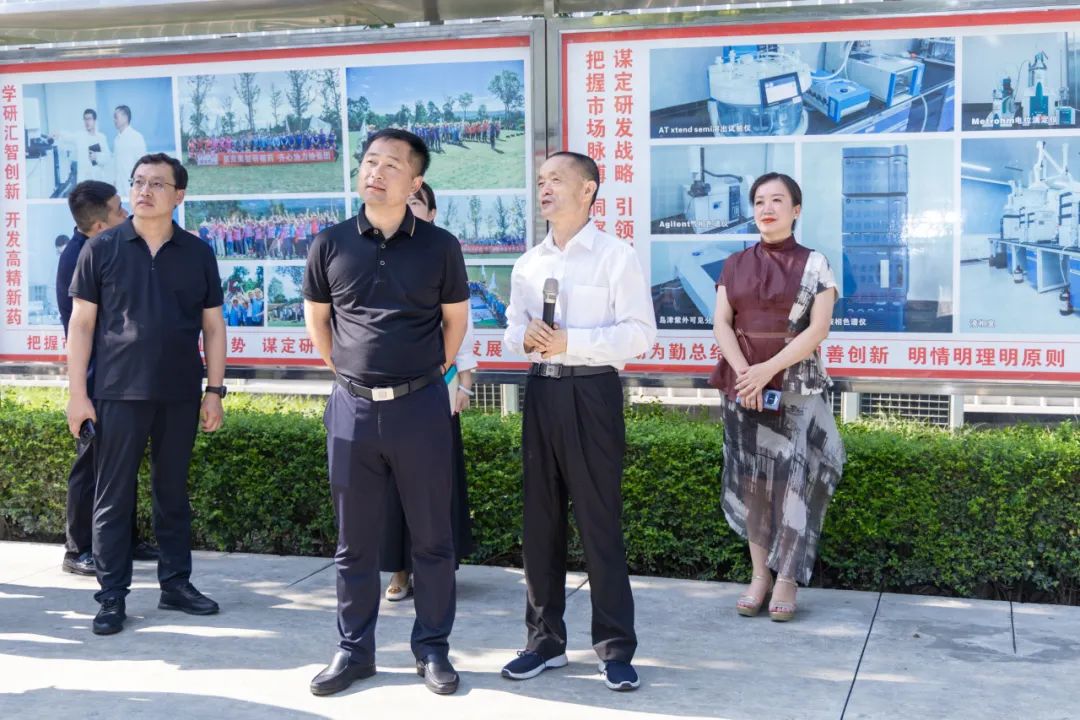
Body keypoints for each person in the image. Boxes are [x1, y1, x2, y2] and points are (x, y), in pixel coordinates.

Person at [303, 129, 469, 697]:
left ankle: (433, 648)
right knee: (354, 543)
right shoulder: (330, 242)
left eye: (391, 165)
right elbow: (319, 320)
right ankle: (354, 651)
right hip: (351, 408)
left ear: (415, 181)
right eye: (370, 161)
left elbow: (455, 322)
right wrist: (351, 374)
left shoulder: (440, 246)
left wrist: (425, 376)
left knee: (433, 539)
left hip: (420, 406)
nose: (375, 172)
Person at [501, 151, 656, 692]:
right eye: (540, 180)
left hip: (592, 393)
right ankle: (544, 642)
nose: (544, 188)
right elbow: (511, 331)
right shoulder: (529, 263)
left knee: (598, 522)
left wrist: (574, 341)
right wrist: (523, 338)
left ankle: (614, 648)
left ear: (588, 189)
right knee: (540, 523)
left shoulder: (616, 256)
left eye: (556, 180)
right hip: (541, 391)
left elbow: (640, 333)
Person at [66, 153, 227, 636]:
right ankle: (111, 595)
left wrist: (215, 390)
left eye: (158, 184)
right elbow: (81, 324)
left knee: (171, 493)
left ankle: (175, 584)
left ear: (179, 196)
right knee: (112, 497)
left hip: (179, 391)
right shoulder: (102, 248)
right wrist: (77, 394)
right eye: (138, 182)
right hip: (117, 391)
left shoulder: (197, 252)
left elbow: (213, 327)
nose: (144, 191)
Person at [710, 172, 845, 623]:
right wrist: (745, 374)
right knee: (752, 480)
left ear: (796, 210)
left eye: (777, 200)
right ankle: (759, 576)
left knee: (792, 479)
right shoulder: (733, 264)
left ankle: (787, 576)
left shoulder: (815, 264)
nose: (766, 208)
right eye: (759, 201)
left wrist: (767, 370)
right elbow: (722, 323)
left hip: (794, 384)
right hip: (742, 383)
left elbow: (818, 329)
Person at [55, 180, 162, 576]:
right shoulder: (81, 257)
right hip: (97, 379)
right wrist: (81, 392)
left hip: (120, 376)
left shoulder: (106, 246)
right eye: (119, 209)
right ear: (100, 226)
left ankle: (123, 540)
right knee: (92, 464)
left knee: (120, 462)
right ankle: (78, 549)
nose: (126, 213)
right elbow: (82, 330)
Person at [381, 181, 475, 602]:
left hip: (437, 391)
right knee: (393, 488)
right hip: (385, 396)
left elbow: (461, 328)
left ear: (432, 212)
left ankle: (435, 570)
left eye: (416, 202)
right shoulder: (378, 253)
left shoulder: (443, 253)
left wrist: (462, 385)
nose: (408, 207)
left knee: (436, 488)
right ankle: (399, 569)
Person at [53, 109, 111, 186]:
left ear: (94, 121)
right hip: (84, 179)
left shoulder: (101, 137)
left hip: (97, 178)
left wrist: (97, 157)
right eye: (85, 119)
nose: (87, 122)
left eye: (89, 119)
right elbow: (68, 136)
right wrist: (58, 134)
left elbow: (107, 157)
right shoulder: (80, 136)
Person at [112, 105, 147, 194]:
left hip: (132, 186)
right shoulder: (116, 140)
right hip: (119, 187)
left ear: (125, 118)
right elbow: (116, 164)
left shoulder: (136, 137)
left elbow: (143, 164)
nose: (114, 120)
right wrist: (115, 182)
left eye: (116, 117)